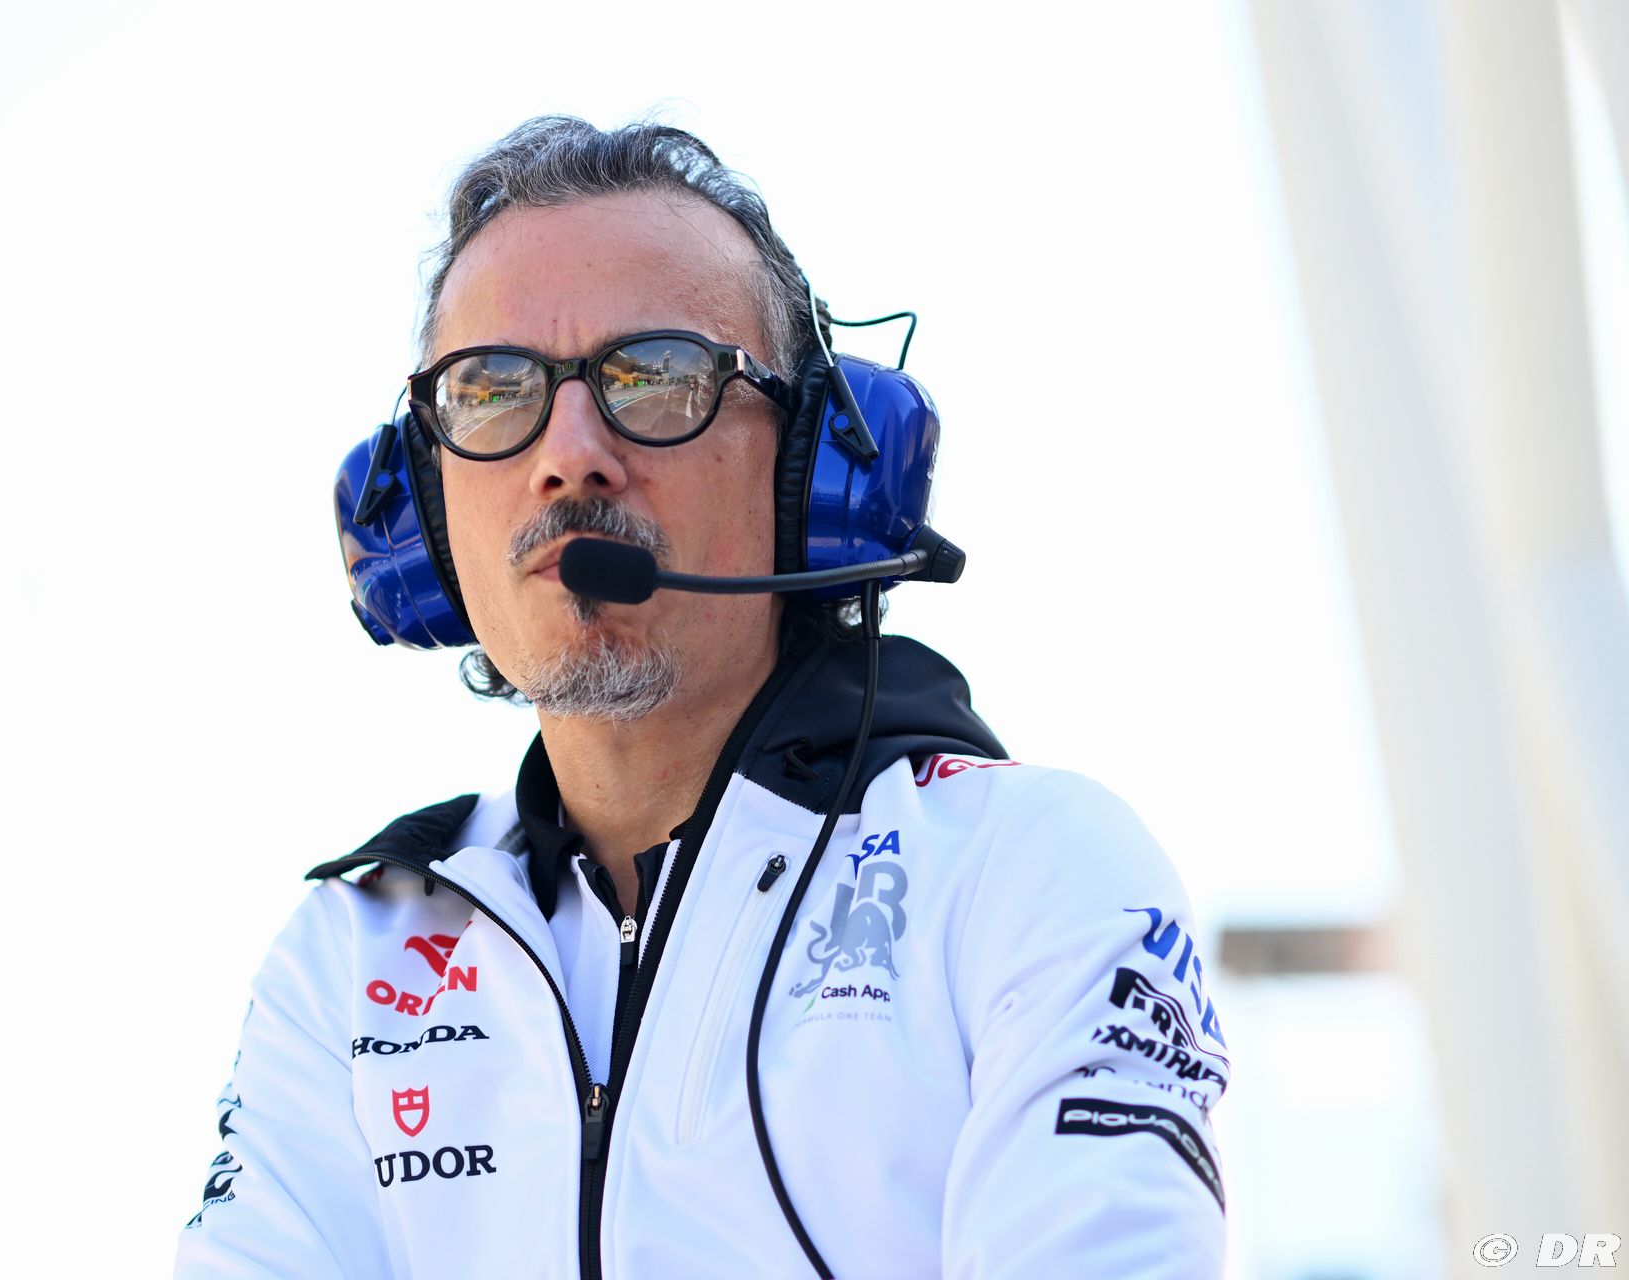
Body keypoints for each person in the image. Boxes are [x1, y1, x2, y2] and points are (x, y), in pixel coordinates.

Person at [174, 116, 1230, 1279]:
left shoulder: (1026, 867)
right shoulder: (347, 952)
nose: (569, 453)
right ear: (422, 511)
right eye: (492, 390)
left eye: (657, 375)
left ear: (816, 469)